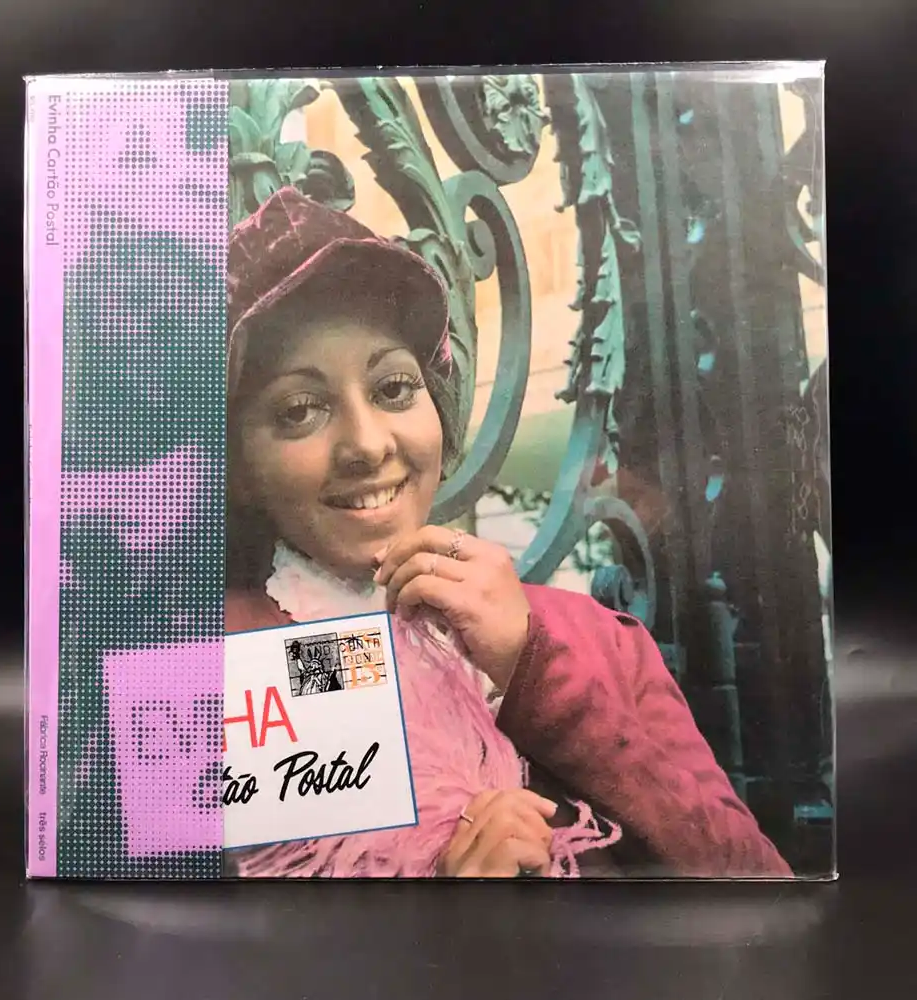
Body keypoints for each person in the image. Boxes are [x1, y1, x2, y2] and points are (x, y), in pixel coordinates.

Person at [224, 187, 791, 879]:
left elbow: (755, 882)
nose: (367, 445)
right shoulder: (216, 671)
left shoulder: (593, 638)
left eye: (394, 389)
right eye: (299, 410)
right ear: (239, 469)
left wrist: (533, 665)